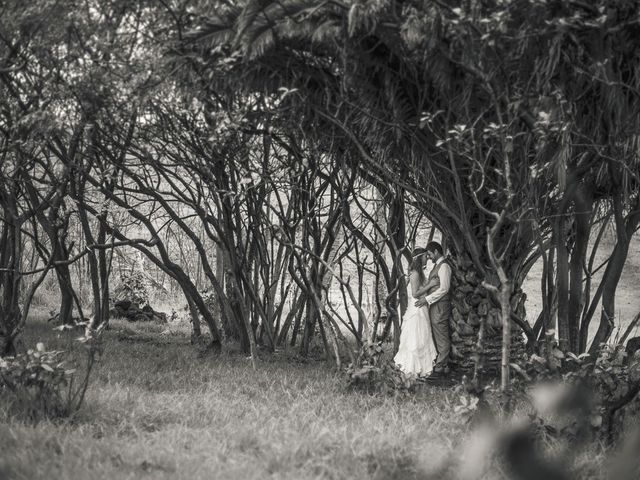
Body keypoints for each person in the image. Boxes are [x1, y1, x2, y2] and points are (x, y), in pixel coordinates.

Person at [394, 248, 438, 376]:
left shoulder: (419, 272)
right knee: (416, 338)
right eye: (425, 256)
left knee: (423, 337)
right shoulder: (415, 273)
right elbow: (414, 293)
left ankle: (422, 368)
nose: (427, 258)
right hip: (417, 309)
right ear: (420, 258)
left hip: (422, 307)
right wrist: (430, 285)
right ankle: (412, 369)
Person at [415, 241, 452, 378]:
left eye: (430, 254)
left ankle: (440, 367)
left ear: (436, 251)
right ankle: (442, 365)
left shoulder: (444, 267)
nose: (429, 257)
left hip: (441, 306)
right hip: (435, 305)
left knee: (441, 335)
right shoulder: (438, 266)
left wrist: (427, 299)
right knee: (437, 334)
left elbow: (444, 288)